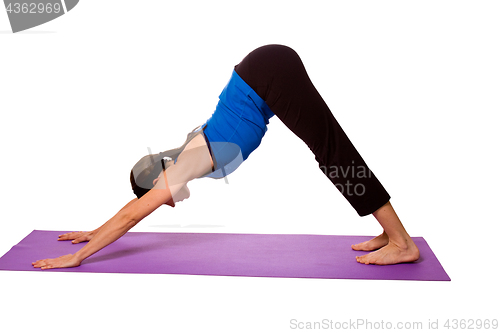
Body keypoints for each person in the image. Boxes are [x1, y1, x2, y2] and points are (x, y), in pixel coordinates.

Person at [32, 45, 419, 270]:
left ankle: (402, 243)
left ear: (159, 180)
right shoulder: (190, 151)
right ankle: (388, 233)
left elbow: (132, 215)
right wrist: (95, 230)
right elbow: (128, 210)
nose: (163, 202)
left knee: (332, 152)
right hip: (265, 70)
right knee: (330, 150)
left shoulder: (185, 164)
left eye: (155, 194)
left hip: (269, 73)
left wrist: (81, 254)